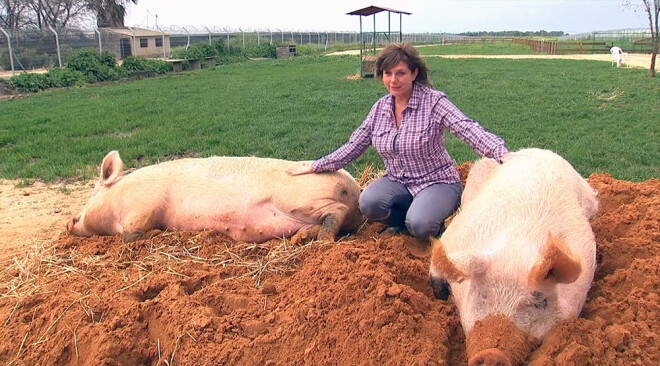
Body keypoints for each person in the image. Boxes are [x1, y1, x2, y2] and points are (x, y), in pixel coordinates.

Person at [287, 43, 510, 241]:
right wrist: (316, 165)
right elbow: (354, 145)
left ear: (414, 73)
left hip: (437, 181)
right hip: (399, 182)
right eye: (388, 73)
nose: (394, 80)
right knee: (369, 203)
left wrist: (501, 153)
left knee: (421, 225)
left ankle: (437, 221)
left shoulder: (434, 102)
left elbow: (466, 127)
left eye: (401, 73)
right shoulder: (381, 108)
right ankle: (406, 223)